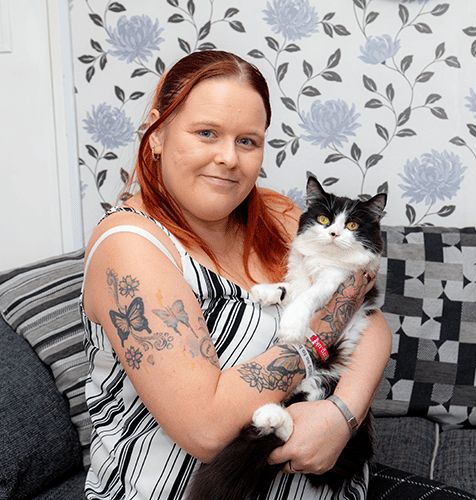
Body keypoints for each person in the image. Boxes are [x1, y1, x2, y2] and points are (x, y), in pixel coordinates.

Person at [80, 50, 391, 499]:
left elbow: (374, 324)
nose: (228, 158)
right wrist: (325, 328)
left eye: (247, 141)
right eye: (207, 133)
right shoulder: (129, 246)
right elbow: (206, 429)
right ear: (157, 133)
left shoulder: (278, 215)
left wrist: (341, 413)